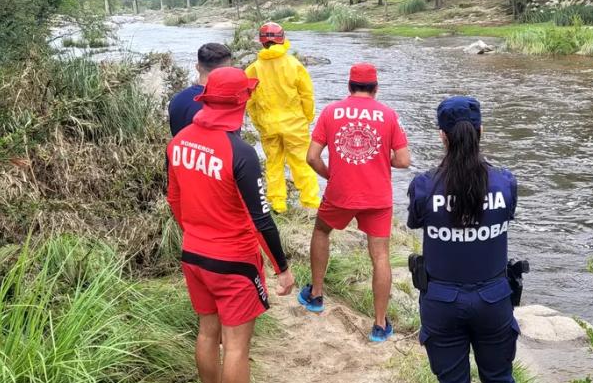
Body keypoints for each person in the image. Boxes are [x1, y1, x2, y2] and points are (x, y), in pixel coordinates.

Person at [167, 67, 296, 383]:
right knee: (237, 346)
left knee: (207, 332)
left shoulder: (177, 143)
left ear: (206, 99)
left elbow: (174, 200)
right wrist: (282, 268)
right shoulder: (240, 152)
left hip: (194, 255)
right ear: (242, 101)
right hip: (235, 263)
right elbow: (261, 219)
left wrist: (196, 232)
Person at [406, 96, 521, 383]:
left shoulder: (425, 186)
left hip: (442, 302)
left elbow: (416, 221)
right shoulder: (505, 183)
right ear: (481, 130)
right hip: (494, 300)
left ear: (442, 136)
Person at [299, 63, 411, 342]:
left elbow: (312, 157)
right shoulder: (388, 114)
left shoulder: (330, 112)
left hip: (340, 192)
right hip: (377, 196)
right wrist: (379, 158)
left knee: (322, 231)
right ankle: (379, 324)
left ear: (349, 86)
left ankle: (316, 295)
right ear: (376, 88)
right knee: (381, 256)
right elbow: (404, 160)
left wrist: (332, 174)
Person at [245, 22, 320, 214]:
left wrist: (258, 122)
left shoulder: (253, 69)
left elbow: (249, 101)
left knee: (273, 163)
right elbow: (307, 96)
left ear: (262, 43)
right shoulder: (295, 65)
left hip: (268, 125)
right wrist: (307, 118)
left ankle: (278, 204)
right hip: (295, 125)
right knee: (302, 163)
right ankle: (310, 203)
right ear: (283, 39)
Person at [168, 43, 232, 137]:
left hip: (179, 150)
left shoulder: (176, 99)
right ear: (227, 71)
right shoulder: (226, 105)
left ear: (197, 67)